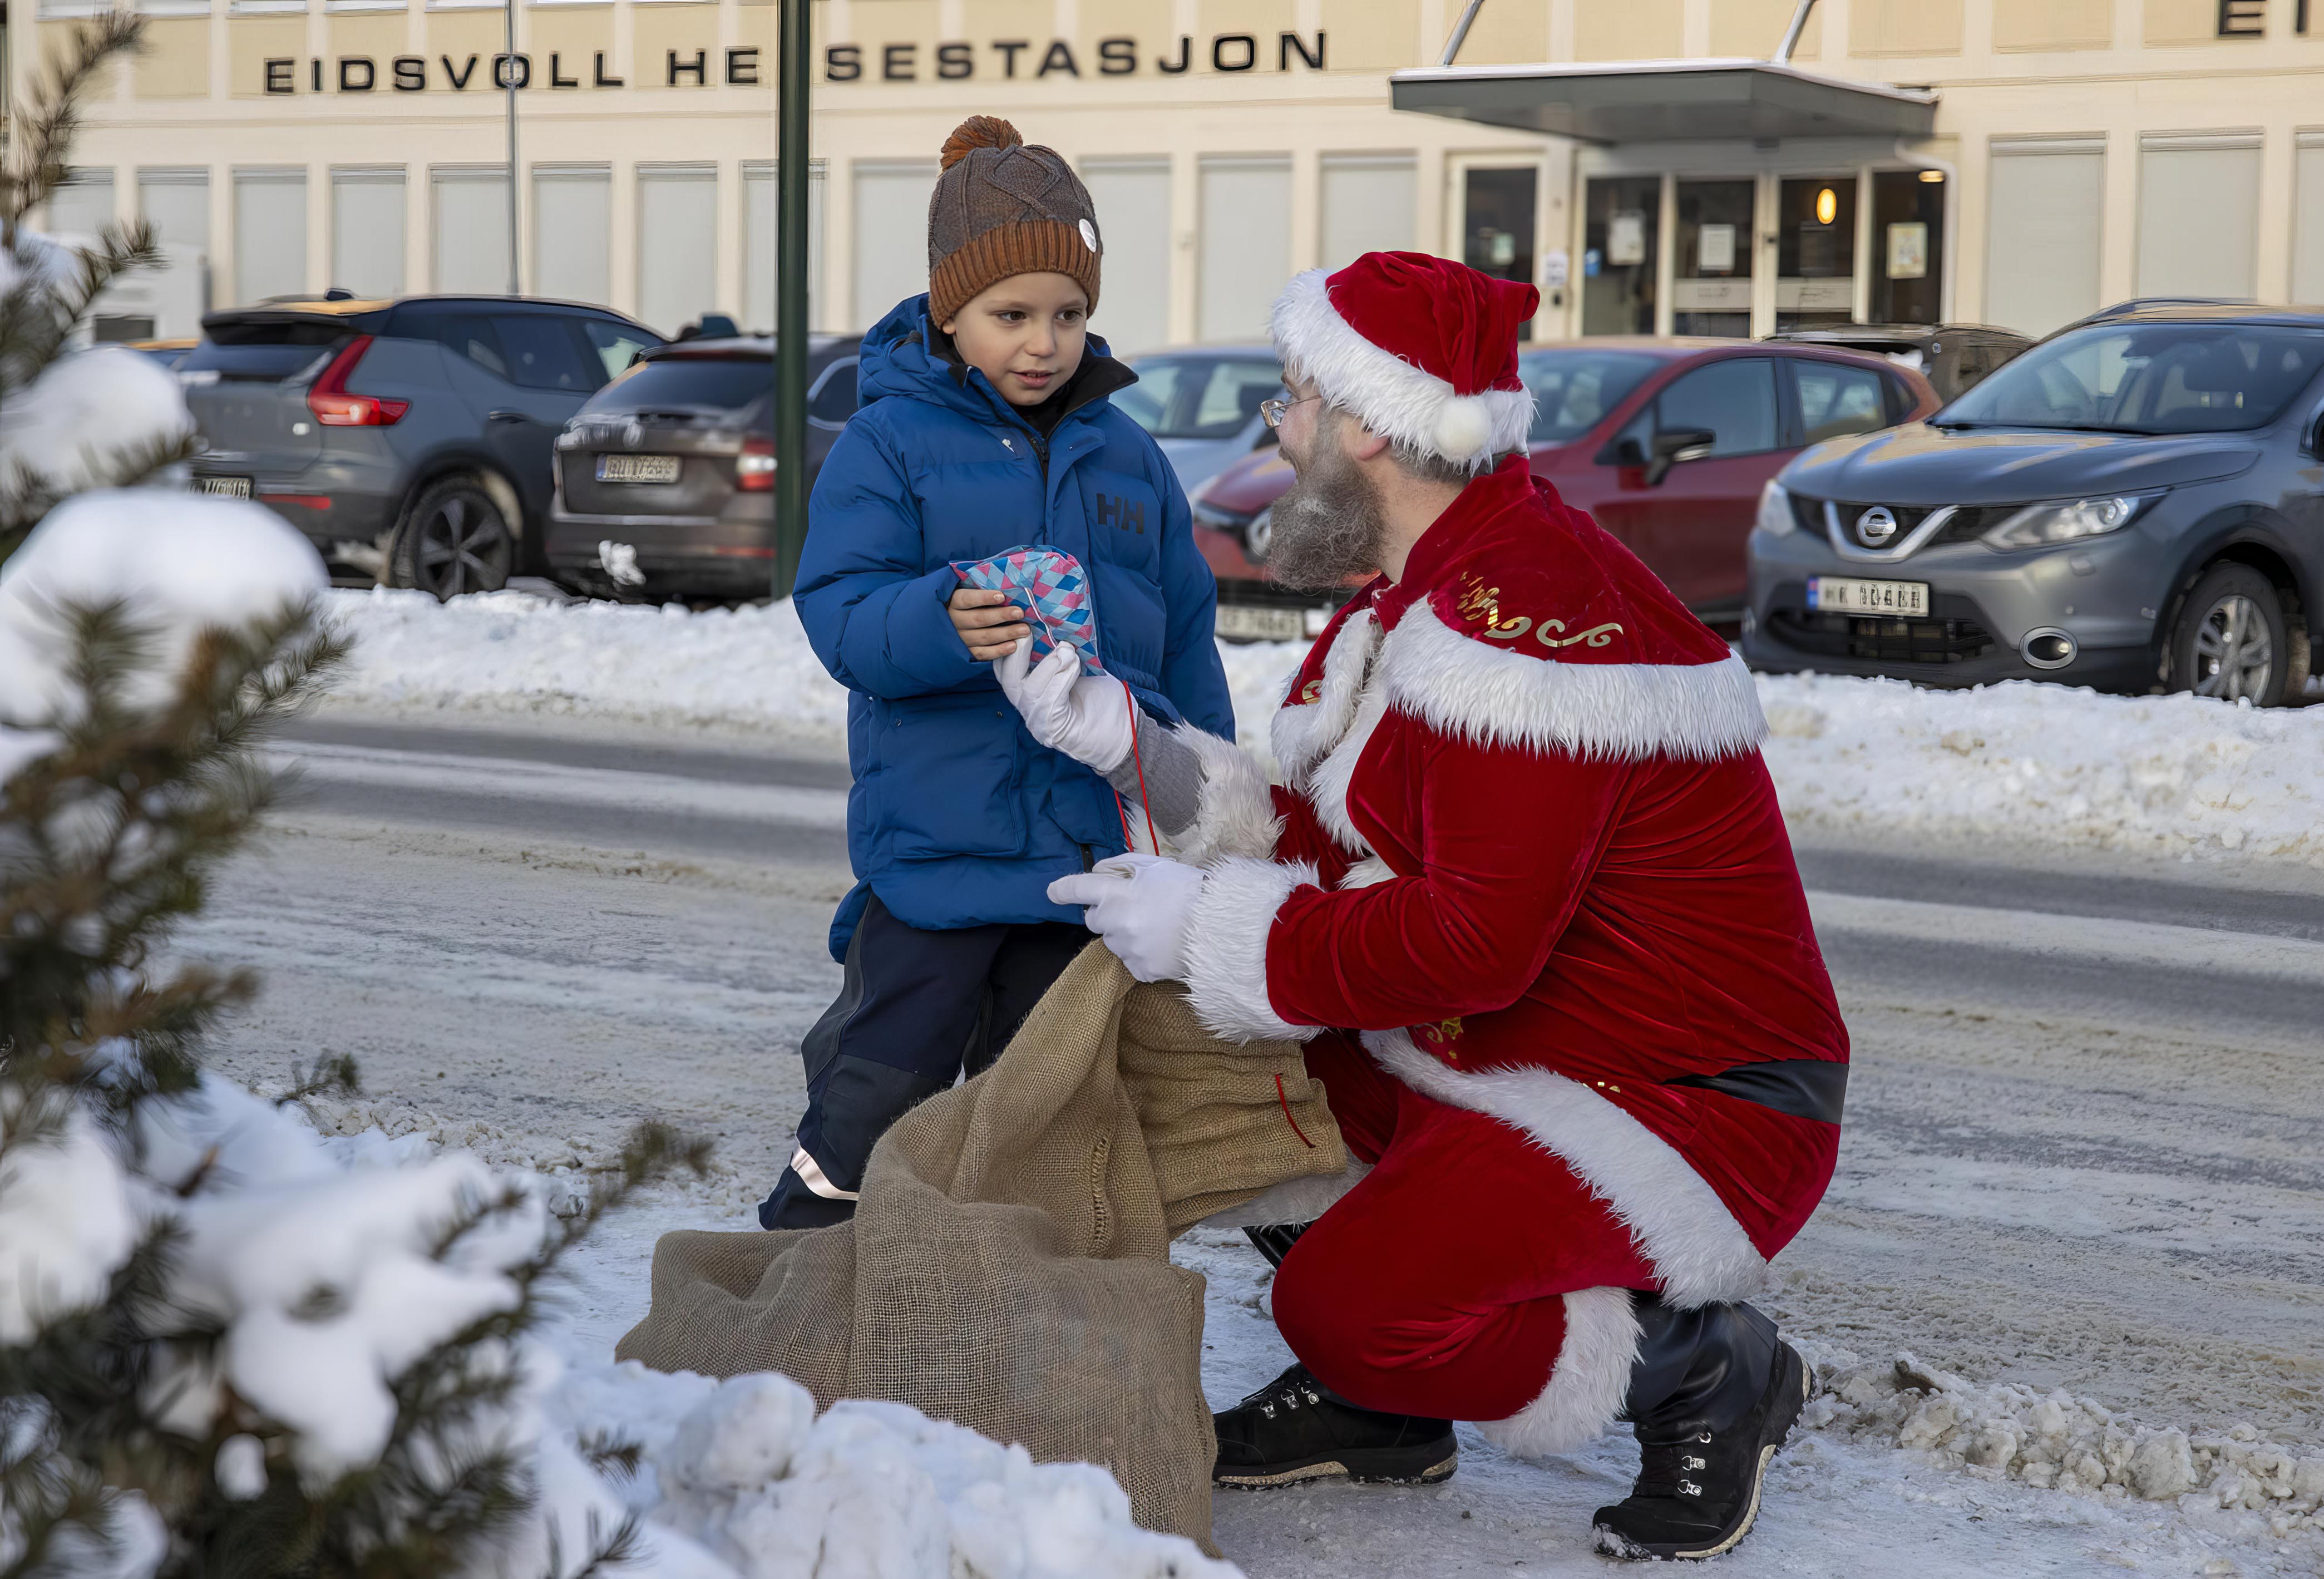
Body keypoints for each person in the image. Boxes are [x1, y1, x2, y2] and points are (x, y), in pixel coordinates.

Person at [1029, 251, 1849, 1562]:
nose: (1276, 430)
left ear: (1368, 423)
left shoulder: (1523, 633)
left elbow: (1473, 943)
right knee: (1193, 1076)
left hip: (1678, 1101)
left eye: (1293, 399)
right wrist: (1137, 750)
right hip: (1518, 1048)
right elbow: (1326, 840)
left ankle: (1704, 1368)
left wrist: (1210, 931)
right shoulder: (1427, 592)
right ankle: (1385, 1414)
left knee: (1347, 1305)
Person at [759, 115, 1233, 1231]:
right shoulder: (889, 443)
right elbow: (841, 614)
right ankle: (803, 1260)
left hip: (1082, 872)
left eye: (1068, 314)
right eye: (1011, 315)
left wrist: (1210, 796)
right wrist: (938, 618)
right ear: (949, 312)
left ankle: (1010, 1297)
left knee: (1048, 1125)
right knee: (875, 1102)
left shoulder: (1130, 456)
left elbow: (1186, 640)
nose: (1044, 342)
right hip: (937, 862)